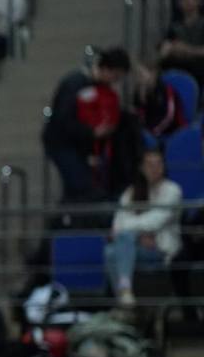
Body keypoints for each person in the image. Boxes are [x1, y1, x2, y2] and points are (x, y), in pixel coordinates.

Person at [42, 47, 130, 202]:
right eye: (115, 76)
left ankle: (66, 215)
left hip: (80, 144)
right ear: (106, 69)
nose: (114, 82)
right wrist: (92, 132)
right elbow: (63, 120)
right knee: (82, 187)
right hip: (62, 143)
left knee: (75, 191)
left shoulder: (100, 88)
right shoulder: (75, 84)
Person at [105, 149, 183, 307]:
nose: (155, 168)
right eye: (149, 164)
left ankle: (123, 303)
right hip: (134, 247)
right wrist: (137, 236)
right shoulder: (131, 192)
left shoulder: (172, 190)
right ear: (141, 168)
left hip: (159, 248)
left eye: (158, 164)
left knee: (116, 247)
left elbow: (155, 221)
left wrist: (129, 232)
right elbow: (118, 220)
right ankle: (125, 294)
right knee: (110, 251)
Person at [160, 0, 204, 86]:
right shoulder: (175, 27)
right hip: (178, 69)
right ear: (179, 3)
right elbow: (165, 48)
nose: (188, 2)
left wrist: (187, 49)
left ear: (200, 1)